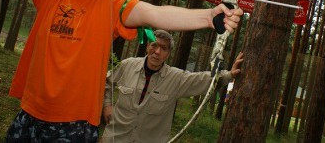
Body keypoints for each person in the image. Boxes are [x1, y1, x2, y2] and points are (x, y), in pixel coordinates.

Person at [5, 0, 243, 142]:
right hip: (29, 114)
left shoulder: (110, 2)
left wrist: (207, 17)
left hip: (74, 125)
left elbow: (154, 13)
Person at [101, 29, 244, 143]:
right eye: (154, 45)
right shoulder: (127, 65)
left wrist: (229, 74)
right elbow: (105, 81)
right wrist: (107, 105)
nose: (157, 52)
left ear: (168, 54)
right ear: (147, 47)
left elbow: (203, 79)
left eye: (163, 48)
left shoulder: (176, 78)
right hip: (115, 138)